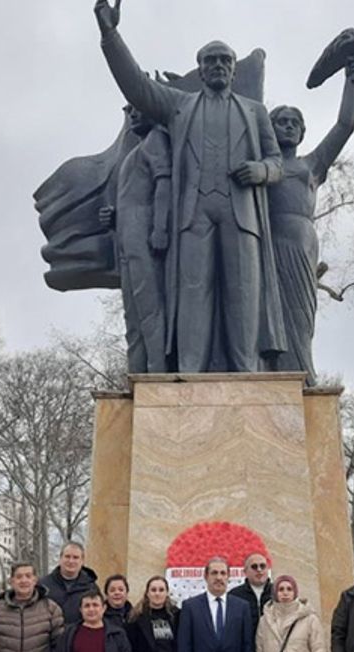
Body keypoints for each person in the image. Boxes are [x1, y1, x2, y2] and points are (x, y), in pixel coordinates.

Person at [93, 0, 287, 373]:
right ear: (200, 69)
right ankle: (190, 372)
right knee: (193, 294)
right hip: (192, 217)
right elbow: (135, 85)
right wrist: (110, 34)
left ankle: (247, 372)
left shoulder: (254, 112)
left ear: (232, 70)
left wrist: (261, 171)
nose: (217, 66)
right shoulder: (179, 106)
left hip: (241, 216)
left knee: (243, 294)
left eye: (224, 61)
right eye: (210, 60)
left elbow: (277, 162)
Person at [265, 53, 354, 384]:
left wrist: (353, 77)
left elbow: (345, 126)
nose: (290, 126)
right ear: (269, 128)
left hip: (301, 244)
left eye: (295, 122)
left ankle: (303, 380)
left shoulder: (312, 165)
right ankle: (269, 379)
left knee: (300, 316)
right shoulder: (261, 167)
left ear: (303, 132)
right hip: (265, 245)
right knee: (267, 317)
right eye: (282, 121)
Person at [100, 104, 173, 373]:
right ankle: (138, 372)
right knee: (133, 311)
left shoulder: (156, 139)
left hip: (143, 232)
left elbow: (164, 182)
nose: (133, 114)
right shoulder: (135, 151)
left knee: (149, 305)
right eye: (129, 110)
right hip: (127, 234)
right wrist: (115, 218)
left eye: (139, 108)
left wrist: (160, 228)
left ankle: (157, 372)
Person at [43, 542, 102, 627]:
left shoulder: (91, 587)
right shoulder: (44, 585)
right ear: (60, 558)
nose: (71, 561)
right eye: (67, 556)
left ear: (82, 561)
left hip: (80, 636)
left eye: (75, 557)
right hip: (51, 637)